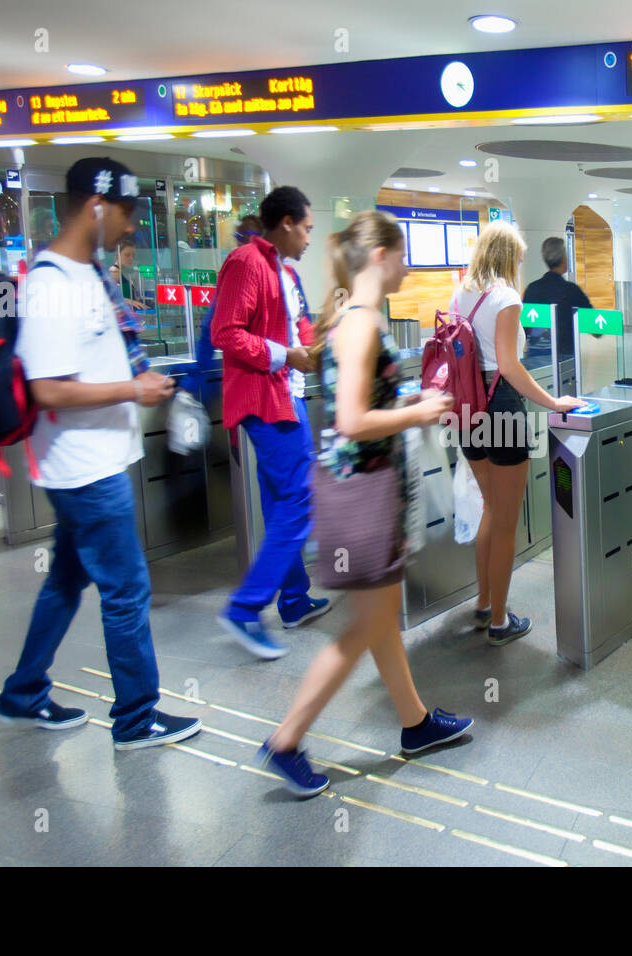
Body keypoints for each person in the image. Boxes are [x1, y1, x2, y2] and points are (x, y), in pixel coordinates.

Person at [255, 210, 472, 796]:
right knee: (361, 630)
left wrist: (404, 394)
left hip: (364, 489)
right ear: (382, 257)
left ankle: (415, 723)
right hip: (362, 493)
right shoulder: (359, 323)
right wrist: (419, 411)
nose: (405, 267)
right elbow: (352, 420)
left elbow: (359, 398)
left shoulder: (355, 318)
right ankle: (286, 740)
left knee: (377, 624)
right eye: (402, 256)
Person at [0, 157, 201, 751]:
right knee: (126, 589)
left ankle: (23, 693)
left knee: (66, 580)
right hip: (82, 467)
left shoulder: (89, 275)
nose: (131, 228)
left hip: (95, 460)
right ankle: (136, 718)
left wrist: (140, 383)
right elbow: (48, 387)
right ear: (95, 206)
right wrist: (132, 389)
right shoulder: (51, 286)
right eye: (125, 214)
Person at [454, 222, 586, 645]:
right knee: (506, 521)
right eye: (519, 257)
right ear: (508, 255)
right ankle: (498, 621)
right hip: (502, 406)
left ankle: (482, 601)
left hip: (467, 409)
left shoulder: (461, 293)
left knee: (490, 509)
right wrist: (554, 403)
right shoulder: (506, 297)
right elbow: (510, 365)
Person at [211, 189, 329, 660]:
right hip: (264, 397)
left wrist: (317, 349)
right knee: (303, 496)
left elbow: (299, 329)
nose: (308, 238)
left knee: (284, 498)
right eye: (306, 228)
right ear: (284, 222)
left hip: (288, 395)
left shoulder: (287, 272)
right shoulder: (246, 262)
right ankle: (244, 608)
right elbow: (227, 332)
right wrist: (286, 355)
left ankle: (295, 600)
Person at [179, 214, 262, 406]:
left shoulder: (239, 270)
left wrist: (194, 377)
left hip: (247, 381)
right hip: (269, 381)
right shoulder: (275, 270)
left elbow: (211, 327)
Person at [522, 236, 593, 359]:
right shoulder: (571, 290)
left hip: (535, 356)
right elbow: (593, 324)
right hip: (563, 357)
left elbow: (524, 325)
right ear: (563, 258)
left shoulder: (531, 289)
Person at [110, 239, 150, 310]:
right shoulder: (114, 272)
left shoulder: (124, 272)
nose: (131, 258)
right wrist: (130, 302)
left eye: (133, 255)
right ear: (118, 254)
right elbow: (109, 297)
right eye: (127, 255)